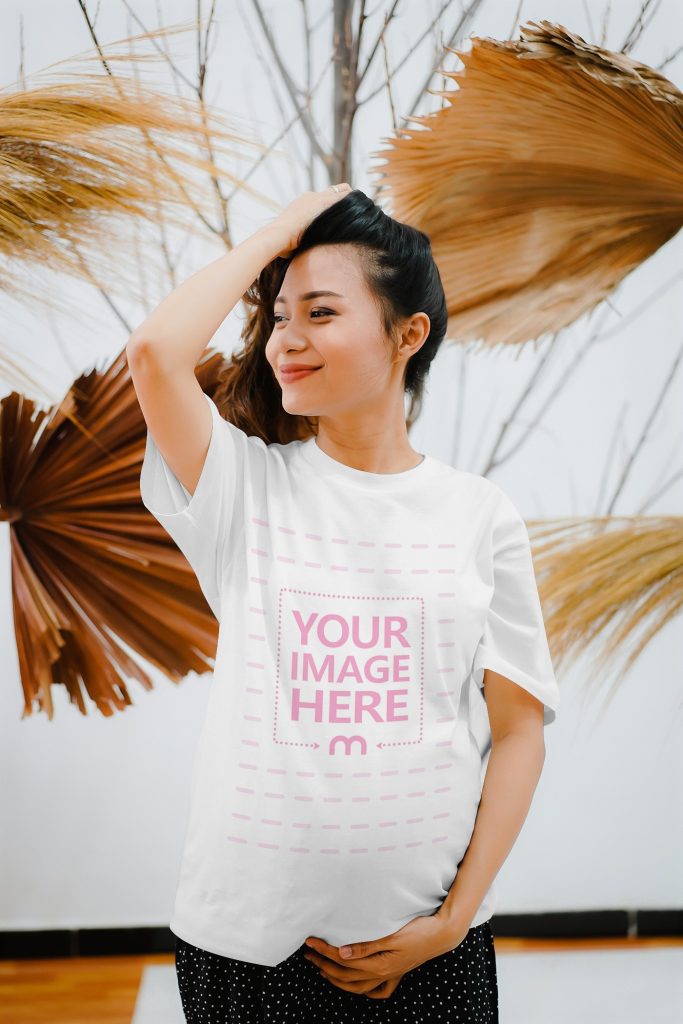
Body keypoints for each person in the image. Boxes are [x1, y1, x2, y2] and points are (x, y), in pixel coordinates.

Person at [127, 184, 560, 1023]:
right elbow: (155, 354)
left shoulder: (478, 515)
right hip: (245, 950)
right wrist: (283, 235)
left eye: (319, 313)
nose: (286, 341)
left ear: (408, 334)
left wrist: (452, 921)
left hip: (431, 946)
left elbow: (517, 731)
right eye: (278, 316)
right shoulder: (241, 488)